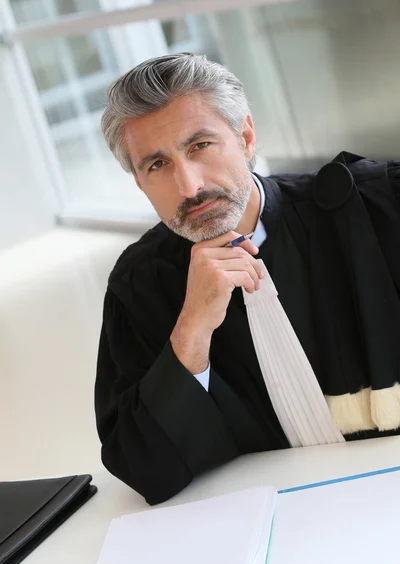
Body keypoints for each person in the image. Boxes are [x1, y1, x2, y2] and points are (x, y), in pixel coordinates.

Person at [95, 53, 400, 505]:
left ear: (246, 136)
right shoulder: (138, 284)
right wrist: (192, 330)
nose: (190, 186)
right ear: (139, 182)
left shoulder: (379, 205)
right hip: (268, 525)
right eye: (157, 165)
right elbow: (144, 469)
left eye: (200, 145)